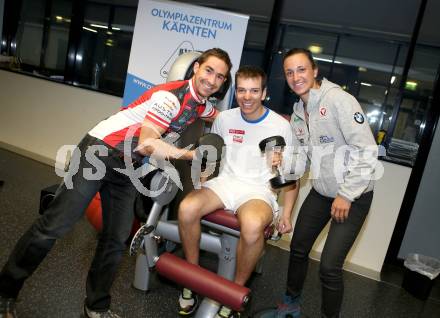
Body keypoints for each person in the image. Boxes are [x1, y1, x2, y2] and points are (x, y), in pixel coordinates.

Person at [0, 48, 232, 318]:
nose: (212, 80)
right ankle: (5, 291)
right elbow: (147, 143)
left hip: (127, 165)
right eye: (208, 70)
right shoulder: (169, 98)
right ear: (196, 69)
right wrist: (194, 156)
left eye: (220, 76)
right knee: (54, 225)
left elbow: (222, 118)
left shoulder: (201, 104)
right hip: (99, 152)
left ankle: (96, 307)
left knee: (116, 239)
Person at [177, 65, 295, 318]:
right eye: (241, 90)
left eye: (254, 91)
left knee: (252, 226)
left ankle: (233, 294)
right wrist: (204, 175)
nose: (247, 96)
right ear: (236, 91)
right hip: (226, 182)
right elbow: (214, 156)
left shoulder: (280, 125)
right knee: (187, 208)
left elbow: (290, 177)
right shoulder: (224, 118)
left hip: (258, 189)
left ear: (264, 93)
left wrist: (286, 212)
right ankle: (191, 279)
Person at [270, 48, 377, 318]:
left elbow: (367, 151)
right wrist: (282, 163)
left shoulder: (340, 101)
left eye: (301, 69)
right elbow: (302, 161)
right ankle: (291, 302)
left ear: (315, 71)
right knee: (297, 248)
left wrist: (347, 194)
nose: (296, 77)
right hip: (321, 193)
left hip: (354, 195)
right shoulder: (297, 113)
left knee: (329, 266)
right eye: (289, 72)